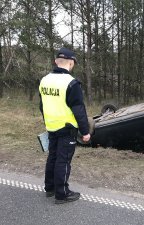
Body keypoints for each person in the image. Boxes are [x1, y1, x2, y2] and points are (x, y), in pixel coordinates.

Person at [39, 47, 91, 204]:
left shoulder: (44, 80)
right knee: (63, 160)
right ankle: (62, 194)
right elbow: (79, 110)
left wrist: (48, 120)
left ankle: (50, 188)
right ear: (71, 63)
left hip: (51, 126)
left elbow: (42, 106)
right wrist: (85, 131)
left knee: (53, 157)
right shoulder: (71, 83)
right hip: (67, 129)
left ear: (56, 62)